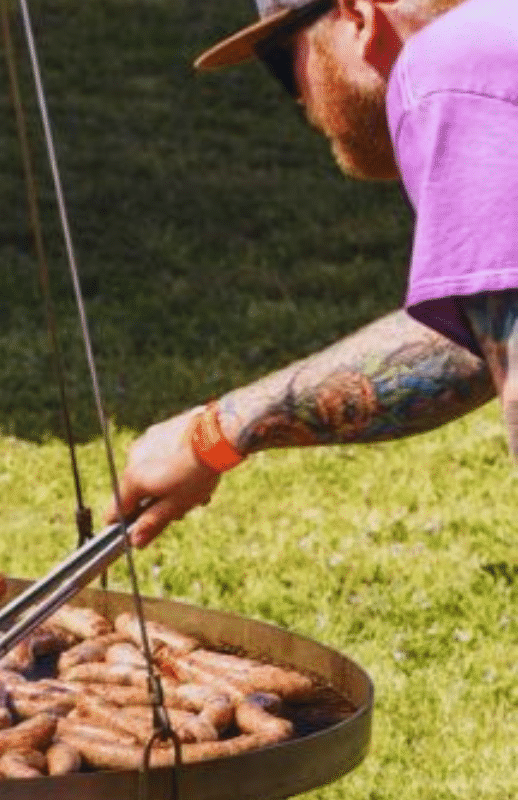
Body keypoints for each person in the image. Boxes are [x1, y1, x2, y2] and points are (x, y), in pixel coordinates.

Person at [110, 0, 518, 546]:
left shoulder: (450, 68)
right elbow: (484, 334)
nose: (302, 102)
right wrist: (213, 434)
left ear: (358, 17)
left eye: (284, 63)